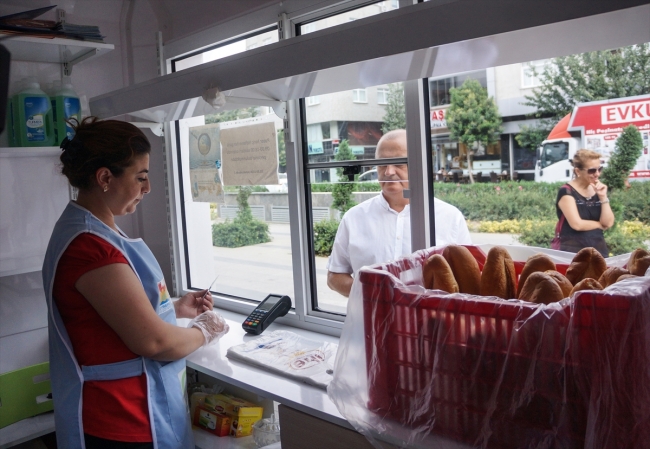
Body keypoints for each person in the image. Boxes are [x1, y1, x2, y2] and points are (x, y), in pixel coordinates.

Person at [42, 117, 229, 449]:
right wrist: (203, 330)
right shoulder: (89, 247)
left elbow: (110, 316)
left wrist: (173, 309)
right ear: (104, 178)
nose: (148, 188)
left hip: (134, 410)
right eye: (140, 177)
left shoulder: (97, 230)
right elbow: (154, 343)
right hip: (119, 420)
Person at [326, 129, 471, 297]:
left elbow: (467, 280)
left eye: (399, 163)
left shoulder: (450, 218)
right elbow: (334, 276)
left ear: (419, 165)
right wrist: (373, 296)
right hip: (370, 321)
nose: (388, 172)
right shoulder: (354, 218)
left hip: (429, 322)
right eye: (382, 164)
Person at [555, 149, 614, 257]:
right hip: (572, 252)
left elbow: (608, 222)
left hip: (598, 250)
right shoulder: (566, 191)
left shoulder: (597, 189)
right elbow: (577, 224)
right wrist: (600, 225)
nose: (597, 174)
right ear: (578, 171)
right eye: (592, 170)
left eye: (599, 169)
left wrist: (603, 197)